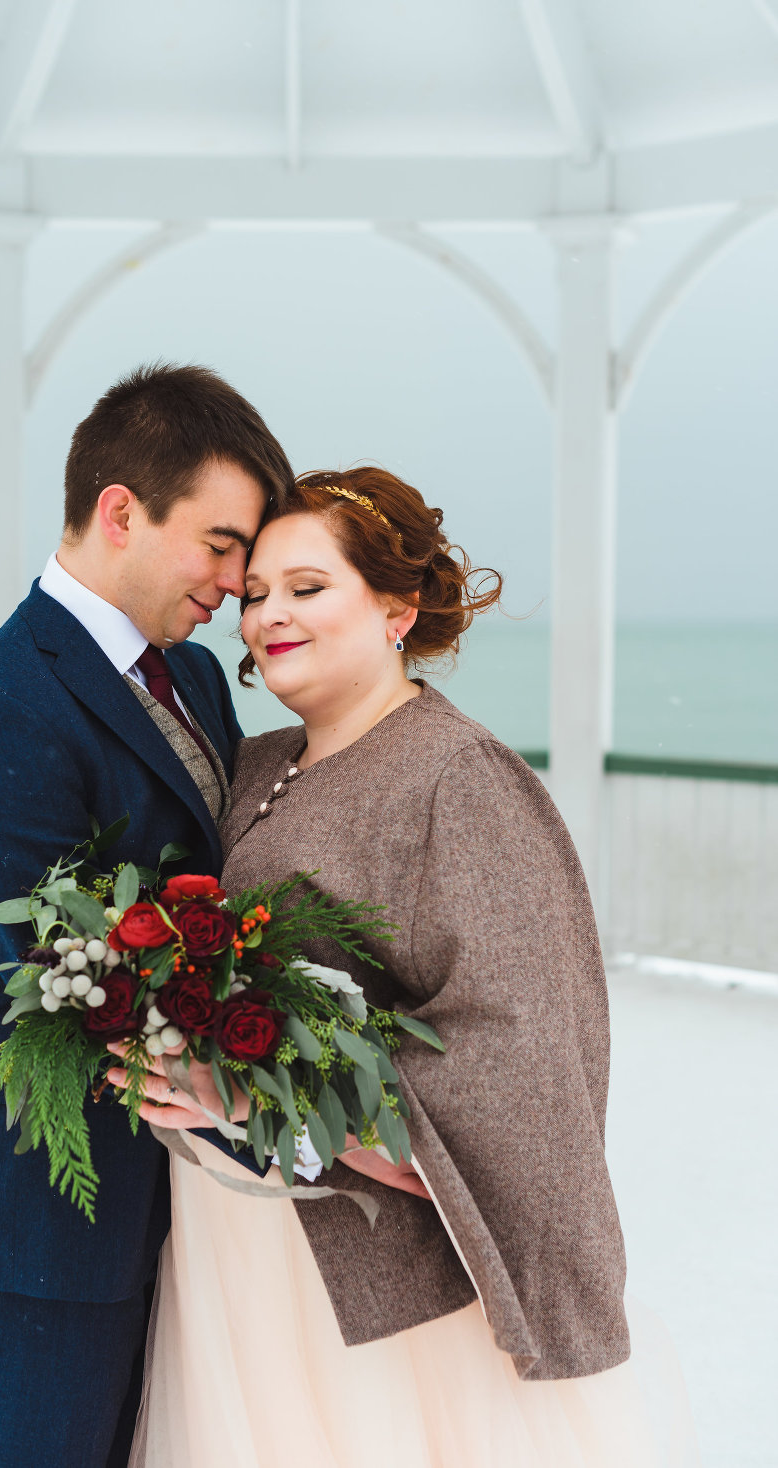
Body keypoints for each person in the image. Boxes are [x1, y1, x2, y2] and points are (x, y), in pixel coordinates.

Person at [117, 467, 700, 1467]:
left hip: (373, 1282)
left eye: (306, 588)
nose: (265, 618)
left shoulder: (453, 775)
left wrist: (254, 1101)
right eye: (253, 594)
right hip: (231, 1248)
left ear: (397, 605)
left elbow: (515, 1053)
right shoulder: (253, 763)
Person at [0, 363, 294, 1468]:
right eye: (217, 543)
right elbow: (73, 982)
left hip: (176, 1200)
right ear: (120, 510)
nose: (234, 582)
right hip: (42, 1225)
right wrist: (291, 1089)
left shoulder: (194, 679)